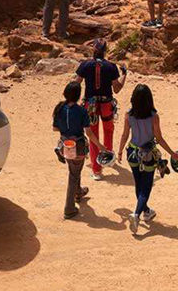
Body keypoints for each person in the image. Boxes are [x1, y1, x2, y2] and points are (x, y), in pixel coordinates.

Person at [116, 84, 178, 234]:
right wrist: (172, 153)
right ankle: (136, 214)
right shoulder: (153, 117)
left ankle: (146, 211)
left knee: (138, 183)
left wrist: (119, 152)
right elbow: (159, 138)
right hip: (148, 154)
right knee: (146, 186)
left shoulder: (128, 115)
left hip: (132, 152)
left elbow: (125, 135)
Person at [75, 38, 127, 181]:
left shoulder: (85, 65)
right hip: (106, 104)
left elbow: (76, 83)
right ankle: (108, 158)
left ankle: (96, 170)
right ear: (105, 51)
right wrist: (124, 75)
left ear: (93, 50)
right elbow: (116, 89)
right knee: (109, 130)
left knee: (93, 135)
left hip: (90, 105)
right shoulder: (111, 67)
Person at [52, 82, 103, 219]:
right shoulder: (81, 111)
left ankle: (78, 192)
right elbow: (89, 132)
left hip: (64, 145)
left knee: (74, 169)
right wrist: (100, 146)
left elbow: (55, 128)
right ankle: (69, 208)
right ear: (78, 95)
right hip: (78, 146)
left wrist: (66, 131)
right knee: (74, 174)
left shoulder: (59, 108)